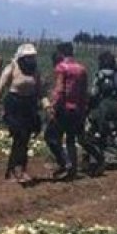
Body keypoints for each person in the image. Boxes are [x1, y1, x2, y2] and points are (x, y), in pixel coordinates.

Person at [0, 43, 42, 183]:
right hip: (14, 105)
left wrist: (45, 106)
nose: (30, 60)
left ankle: (22, 169)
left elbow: (39, 91)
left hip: (29, 105)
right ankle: (11, 170)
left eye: (32, 57)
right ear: (21, 57)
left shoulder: (35, 71)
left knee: (25, 140)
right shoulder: (11, 68)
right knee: (18, 137)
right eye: (28, 57)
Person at [44, 42, 89, 180]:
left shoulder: (61, 68)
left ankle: (65, 162)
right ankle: (73, 168)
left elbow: (59, 90)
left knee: (50, 137)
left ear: (61, 53)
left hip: (63, 108)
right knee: (70, 139)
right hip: (76, 110)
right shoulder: (82, 69)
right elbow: (84, 93)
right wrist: (83, 110)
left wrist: (52, 106)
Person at [83, 51, 117, 175]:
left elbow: (94, 92)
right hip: (115, 106)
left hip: (102, 107)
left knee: (94, 132)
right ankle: (112, 149)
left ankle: (96, 159)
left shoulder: (100, 75)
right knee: (109, 131)